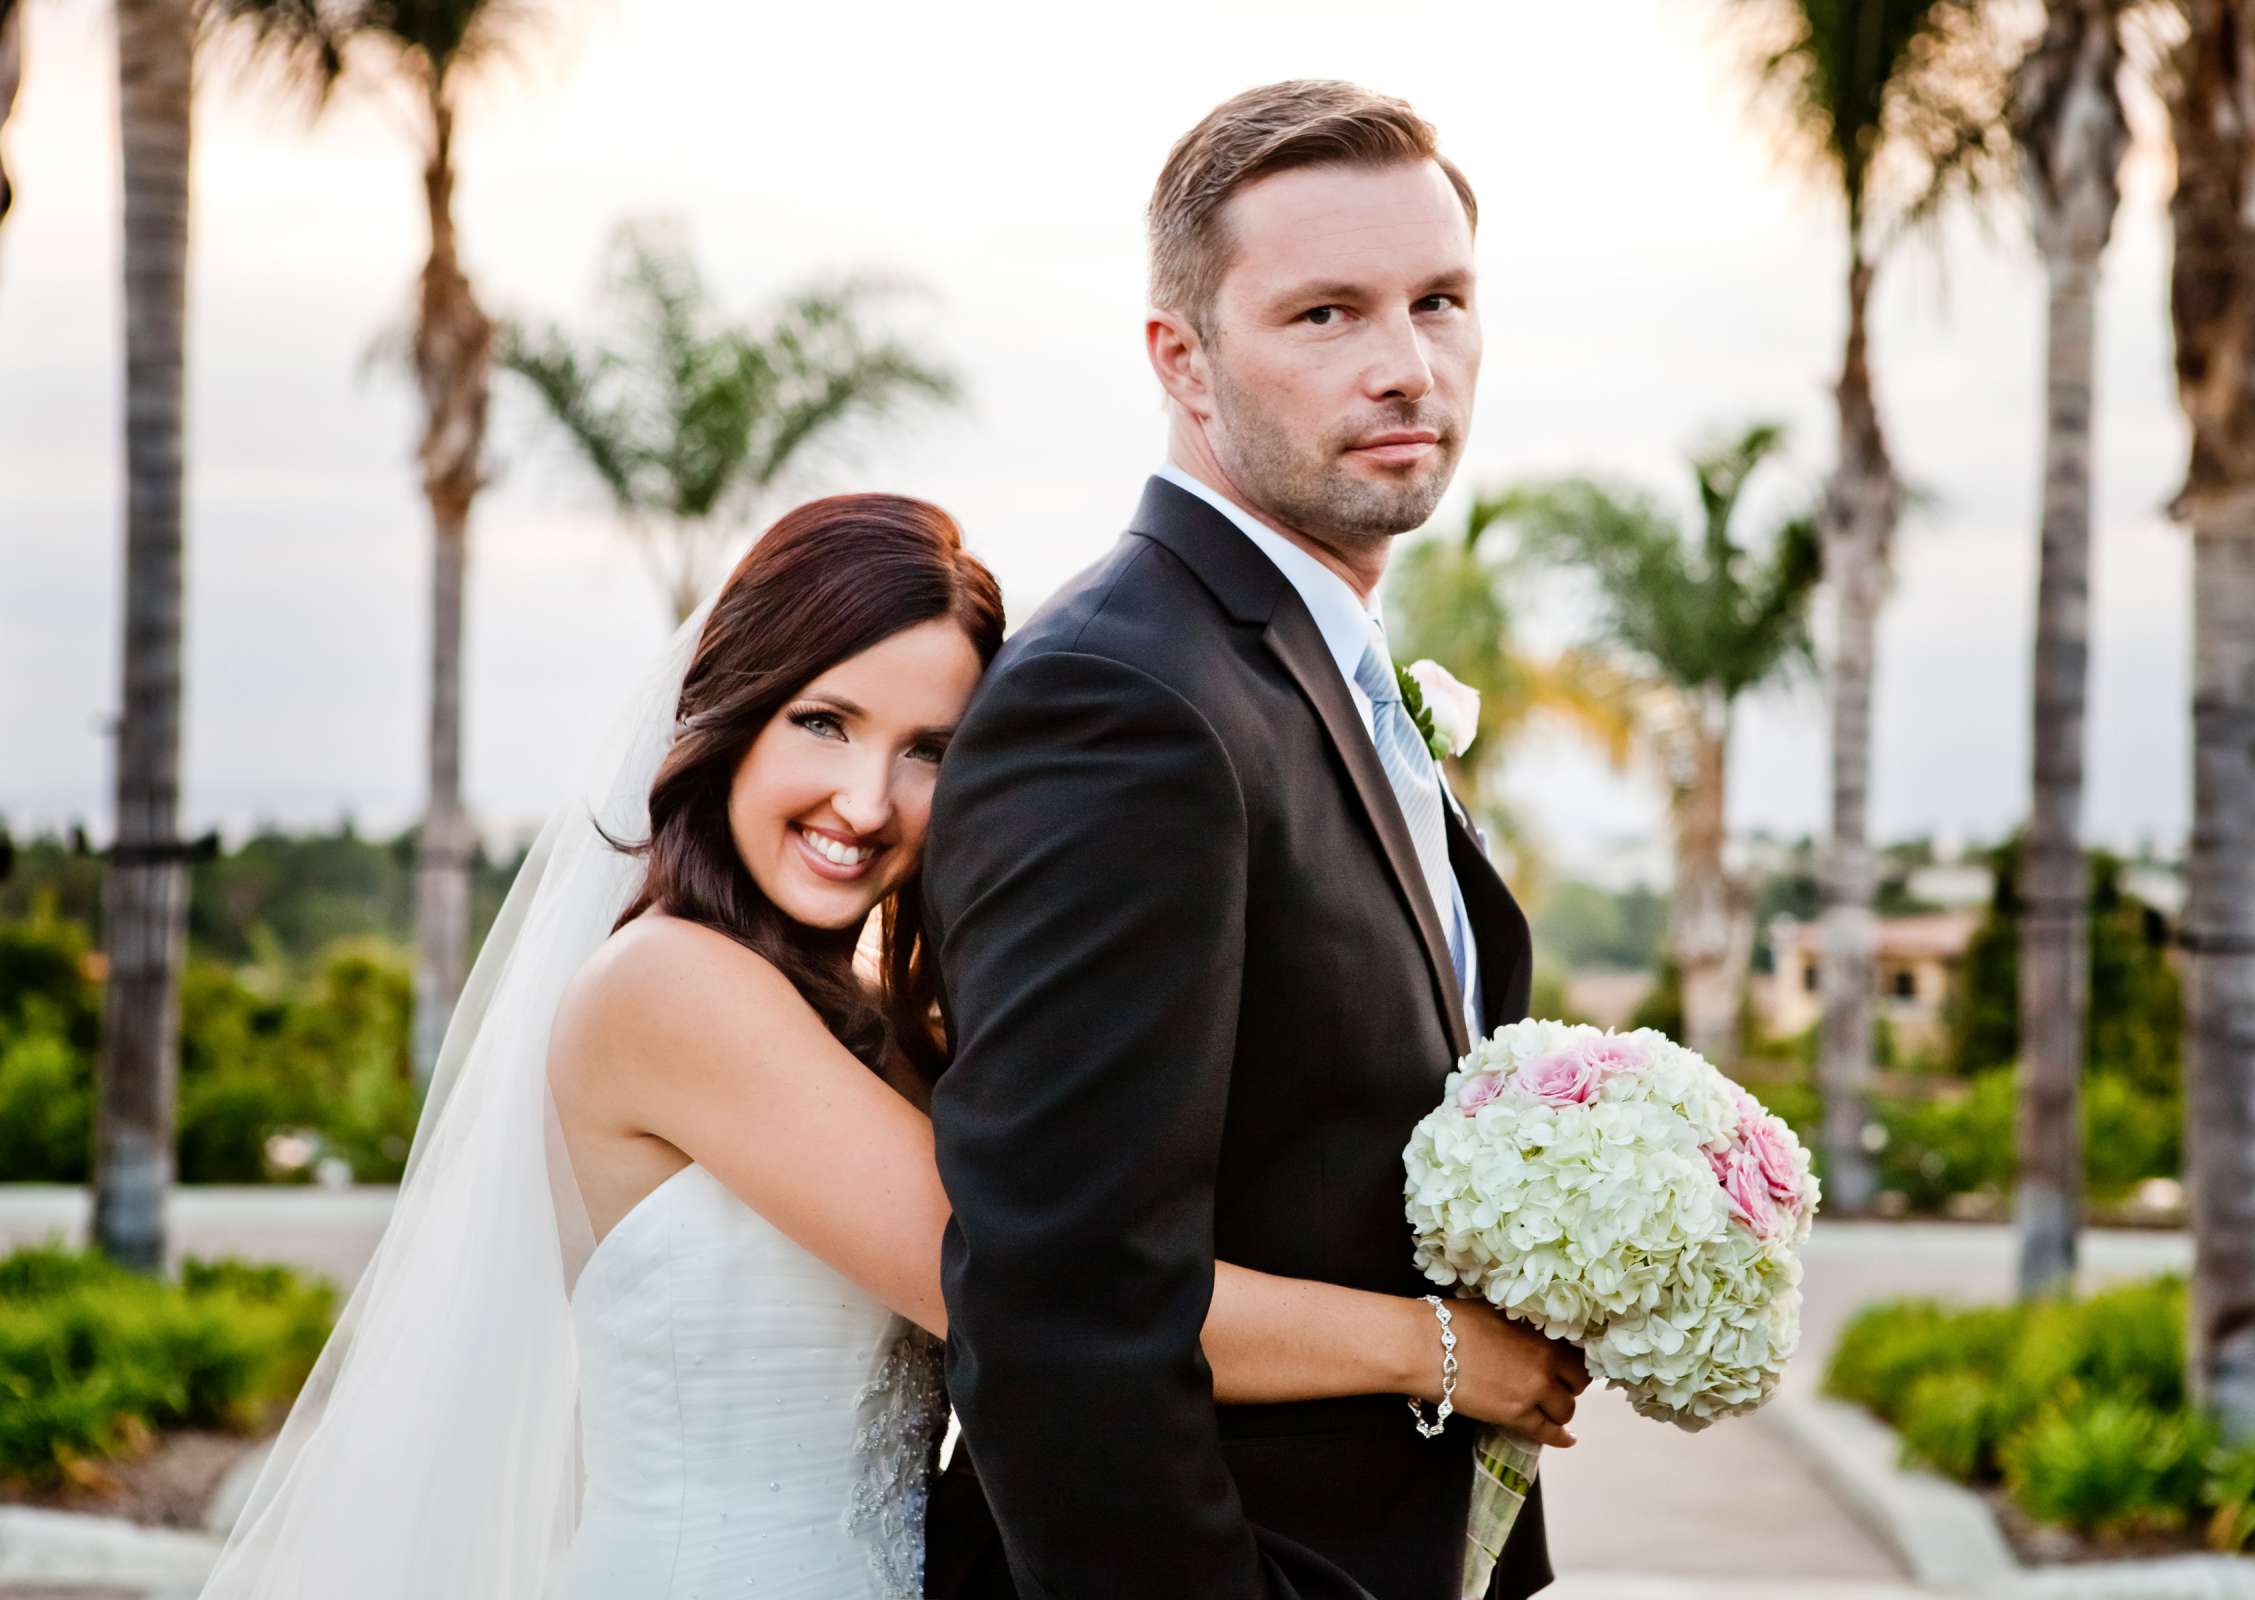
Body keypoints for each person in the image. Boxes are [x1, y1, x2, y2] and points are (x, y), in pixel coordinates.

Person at [194, 494, 1582, 1600]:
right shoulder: (671, 991)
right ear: (729, 718)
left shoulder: (879, 1017)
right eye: (823, 722)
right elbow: (1051, 1293)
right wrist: (1435, 1350)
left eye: (931, 749)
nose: (866, 798)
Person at [924, 80, 1558, 1600]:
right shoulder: (1122, 698)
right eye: (1327, 315)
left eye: (1441, 301)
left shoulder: (1310, 665)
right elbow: (1063, 1311)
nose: (1409, 366)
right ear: (1182, 361)